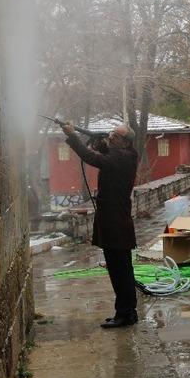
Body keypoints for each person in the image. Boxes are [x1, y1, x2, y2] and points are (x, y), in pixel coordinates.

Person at [62, 121, 140, 328]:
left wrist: (72, 136)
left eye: (115, 136)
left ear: (124, 142)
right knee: (121, 269)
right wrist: (100, 142)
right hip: (115, 221)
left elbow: (92, 157)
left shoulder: (121, 158)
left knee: (119, 270)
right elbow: (105, 153)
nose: (111, 137)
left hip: (115, 223)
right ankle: (126, 312)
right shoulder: (125, 155)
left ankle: (125, 314)